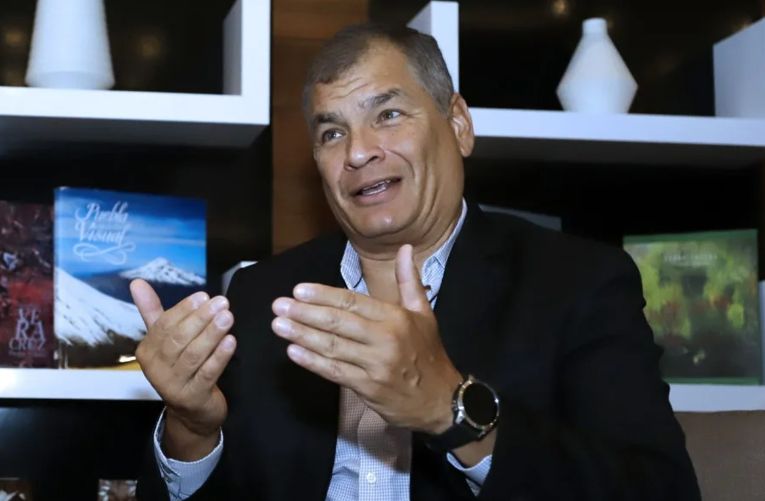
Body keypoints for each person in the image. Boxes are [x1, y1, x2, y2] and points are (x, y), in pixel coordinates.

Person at [132, 24, 700, 501]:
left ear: (459, 125)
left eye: (387, 114)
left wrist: (452, 411)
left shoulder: (577, 282)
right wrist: (191, 428)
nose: (358, 152)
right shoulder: (262, 296)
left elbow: (659, 489)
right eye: (332, 132)